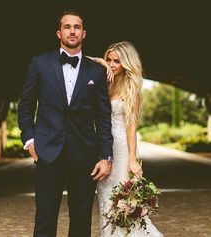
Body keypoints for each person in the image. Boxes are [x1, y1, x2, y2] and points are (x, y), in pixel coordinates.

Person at [18, 9, 114, 237]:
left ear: (84, 33)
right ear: (59, 33)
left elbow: (103, 117)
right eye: (68, 27)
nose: (72, 31)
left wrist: (106, 156)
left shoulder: (97, 71)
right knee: (44, 220)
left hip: (84, 157)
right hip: (48, 154)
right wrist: (29, 139)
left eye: (77, 27)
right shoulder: (39, 64)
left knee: (81, 222)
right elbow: (26, 106)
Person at [94, 41, 164, 236]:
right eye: (109, 59)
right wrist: (100, 61)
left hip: (122, 150)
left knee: (122, 203)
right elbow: (81, 60)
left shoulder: (131, 87)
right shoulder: (106, 81)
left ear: (127, 63)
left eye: (117, 61)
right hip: (104, 149)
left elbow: (131, 127)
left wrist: (132, 160)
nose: (112, 64)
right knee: (106, 200)